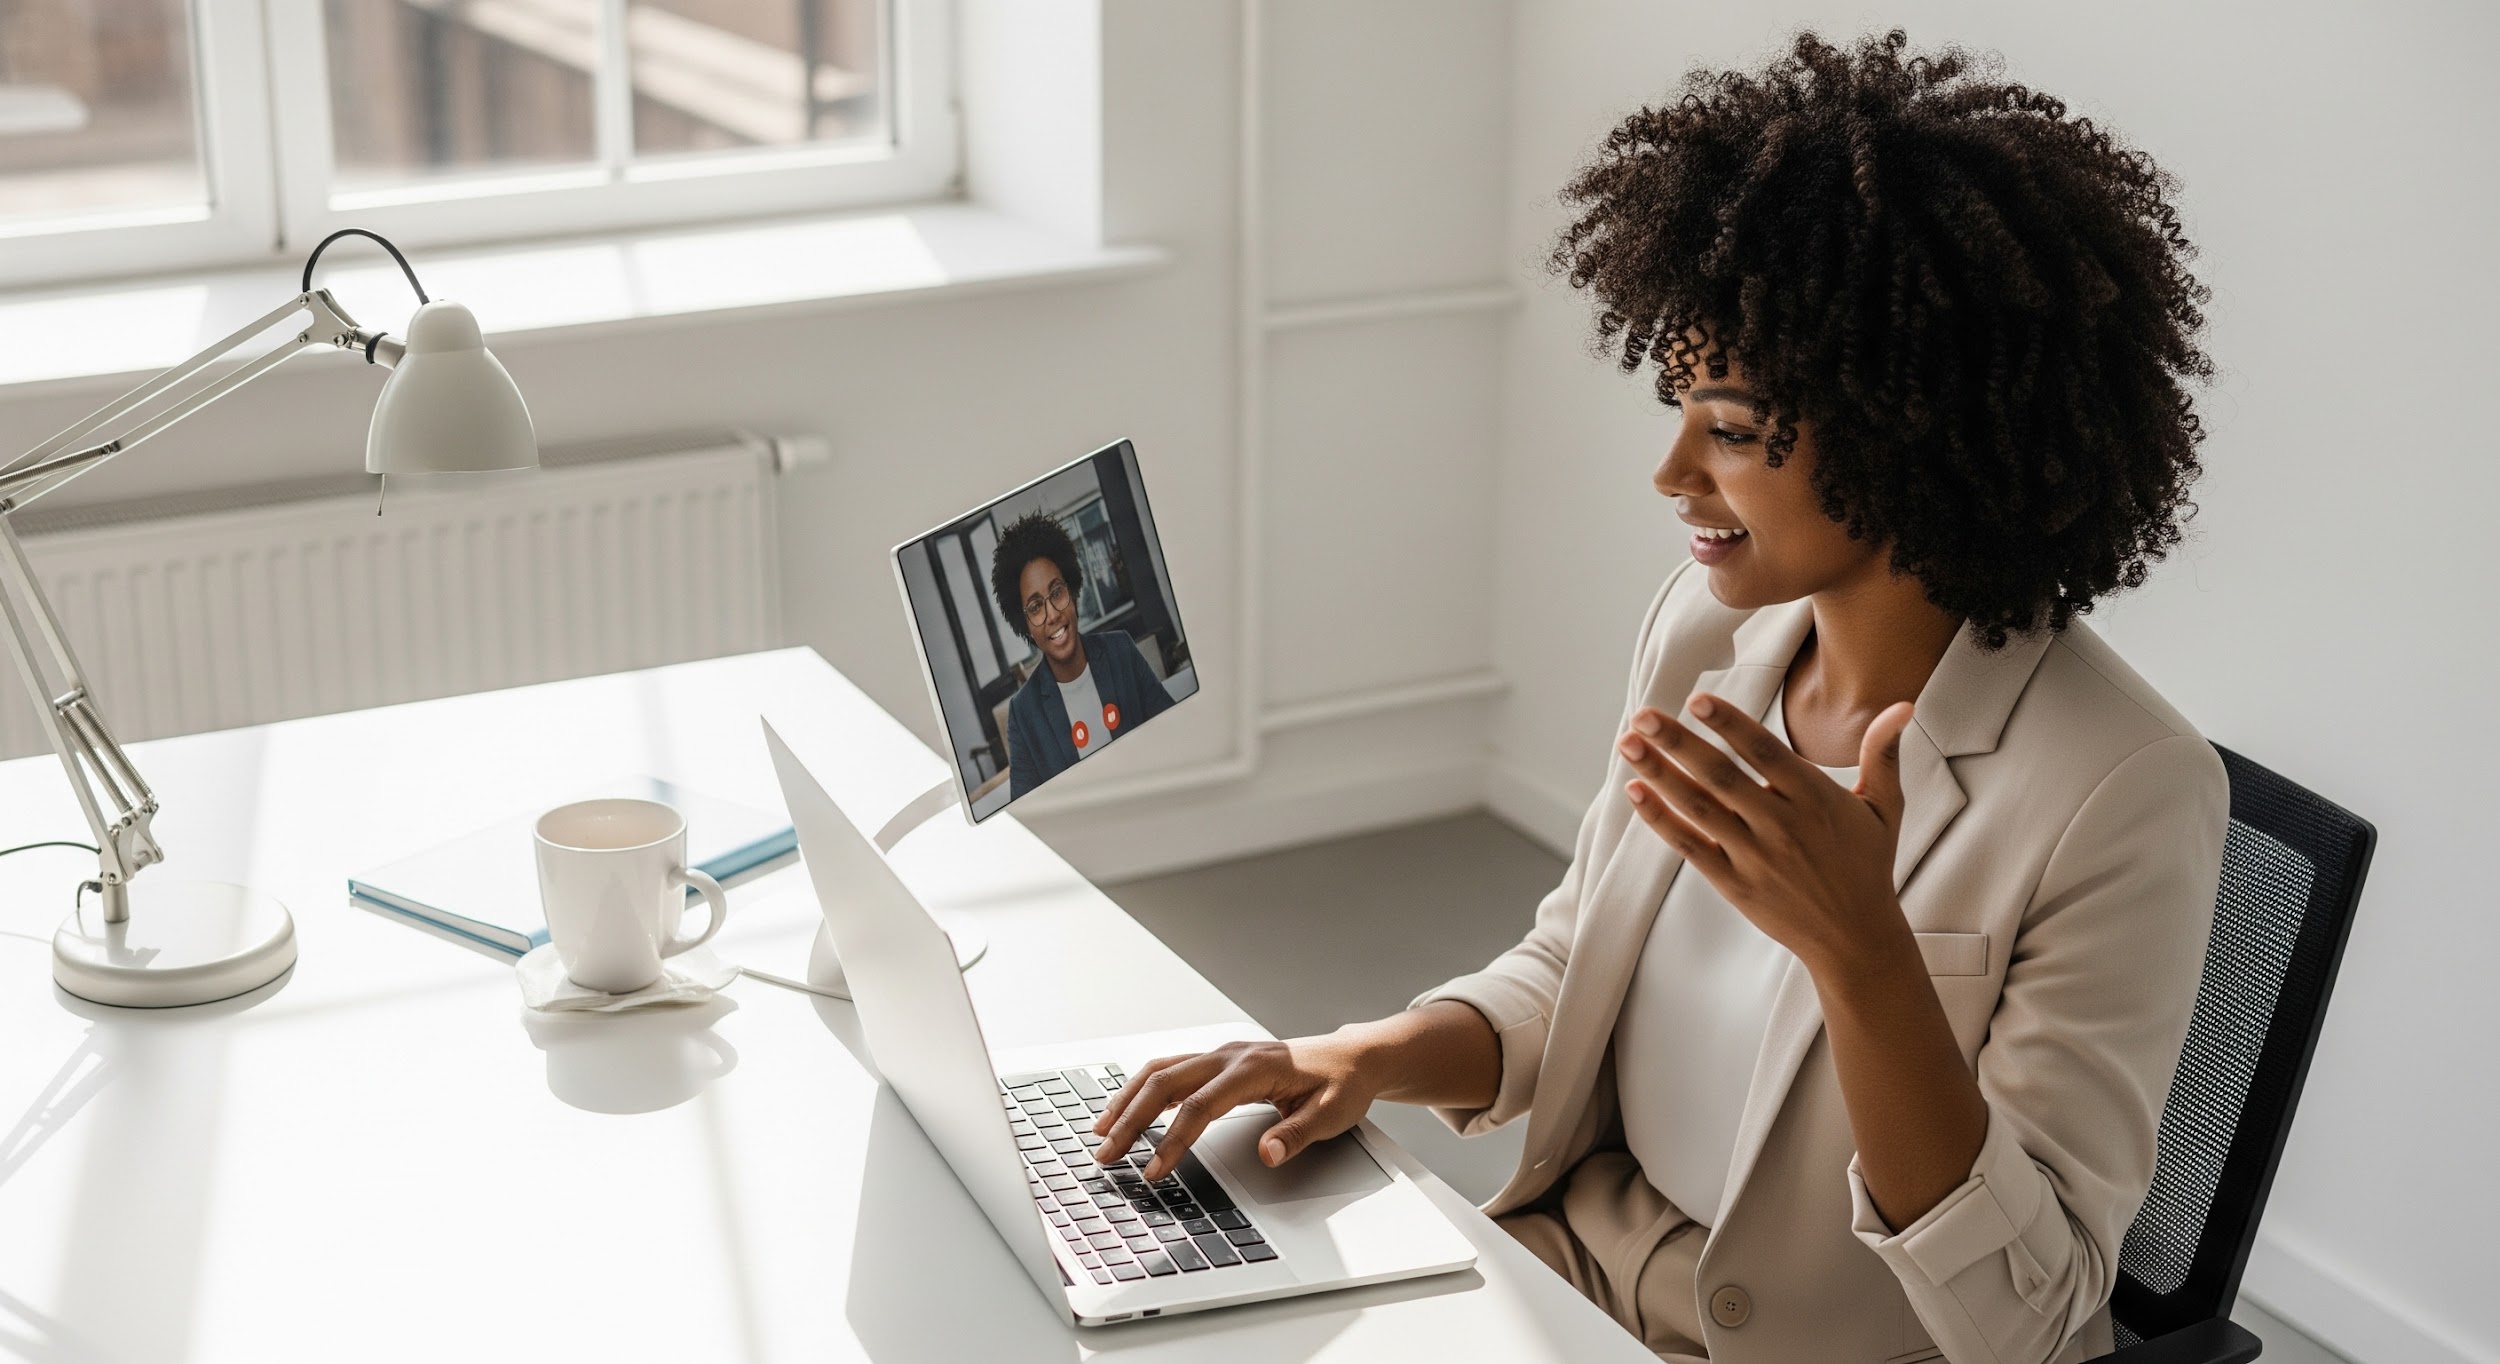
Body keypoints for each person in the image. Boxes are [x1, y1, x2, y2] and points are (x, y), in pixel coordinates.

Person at [1088, 28, 2227, 1364]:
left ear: (1913, 437)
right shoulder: (1705, 634)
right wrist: (1368, 1055)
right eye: (1680, 406)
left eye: (1733, 432)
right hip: (1575, 1275)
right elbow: (1582, 963)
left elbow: (2030, 1314)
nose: (1673, 471)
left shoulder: (2122, 790)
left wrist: (1864, 956)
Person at [990, 510, 1173, 799]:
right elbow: (1032, 811)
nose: (1052, 614)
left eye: (1057, 592)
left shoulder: (1120, 650)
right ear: (1024, 624)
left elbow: (1172, 732)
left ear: (1072, 591)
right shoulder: (1024, 715)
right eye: (1036, 608)